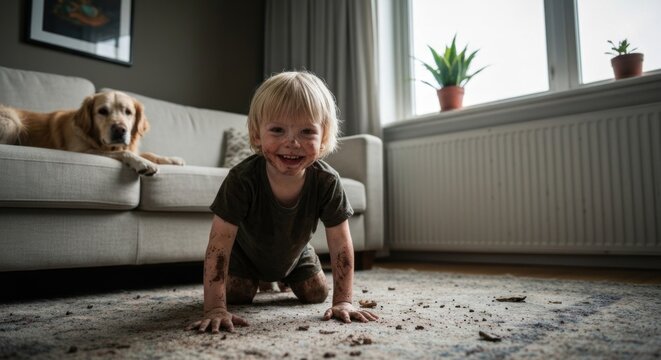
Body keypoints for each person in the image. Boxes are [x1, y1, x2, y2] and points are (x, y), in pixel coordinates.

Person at [187, 71, 379, 333]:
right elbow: (219, 244)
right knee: (238, 294)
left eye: (307, 131)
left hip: (296, 255)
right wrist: (215, 308)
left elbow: (341, 244)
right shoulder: (241, 179)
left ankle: (283, 276)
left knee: (316, 293)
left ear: (323, 138)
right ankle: (259, 280)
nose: (292, 142)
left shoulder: (327, 181)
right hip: (246, 257)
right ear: (256, 135)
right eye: (277, 130)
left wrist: (343, 301)